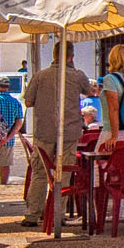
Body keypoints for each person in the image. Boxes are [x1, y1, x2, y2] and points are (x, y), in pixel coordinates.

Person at [23, 50, 90, 227]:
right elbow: (89, 91)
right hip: (69, 132)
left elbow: (28, 101)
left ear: (53, 55)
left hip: (44, 131)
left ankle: (32, 214)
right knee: (64, 172)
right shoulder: (77, 75)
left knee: (39, 172)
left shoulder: (40, 75)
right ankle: (57, 215)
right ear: (71, 56)